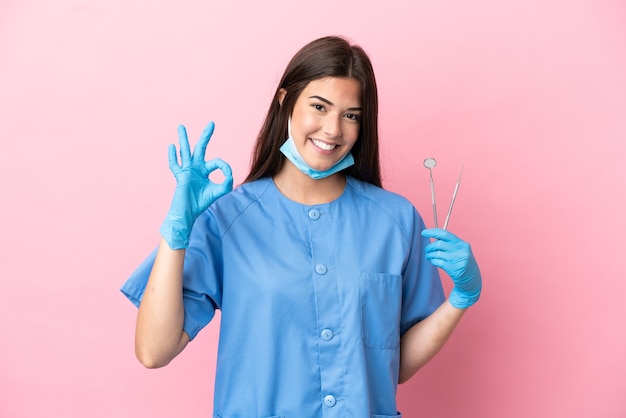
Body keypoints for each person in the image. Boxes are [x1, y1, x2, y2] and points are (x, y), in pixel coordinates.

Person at [121, 35, 482, 417]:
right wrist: (177, 233)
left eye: (351, 115)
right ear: (285, 100)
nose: (332, 129)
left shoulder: (395, 220)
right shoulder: (228, 218)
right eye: (319, 106)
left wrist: (462, 297)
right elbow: (153, 351)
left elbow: (395, 366)